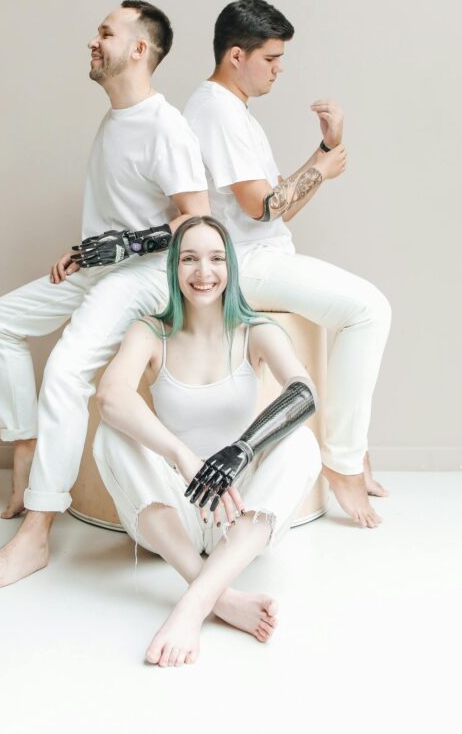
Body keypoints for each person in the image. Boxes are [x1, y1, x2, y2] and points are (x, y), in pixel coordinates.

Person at [0, 0, 210, 589]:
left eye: (105, 33)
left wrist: (119, 247)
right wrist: (89, 249)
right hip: (101, 268)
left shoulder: (164, 125)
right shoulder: (115, 118)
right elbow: (119, 212)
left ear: (139, 50)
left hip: (143, 277)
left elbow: (198, 219)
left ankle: (35, 535)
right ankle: (26, 447)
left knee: (68, 371)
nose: (92, 42)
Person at [183, 0, 392, 528]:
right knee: (369, 308)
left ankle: (351, 453)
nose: (279, 69)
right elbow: (263, 206)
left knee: (362, 309)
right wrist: (321, 167)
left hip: (260, 251)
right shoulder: (214, 110)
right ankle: (343, 462)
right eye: (271, 58)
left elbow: (279, 208)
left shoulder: (234, 113)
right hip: (240, 266)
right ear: (236, 55)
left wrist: (322, 155)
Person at [93, 215, 322, 666]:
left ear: (231, 267)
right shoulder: (150, 332)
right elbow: (111, 396)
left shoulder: (255, 330)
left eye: (216, 258)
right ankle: (220, 596)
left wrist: (244, 448)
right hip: (172, 512)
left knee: (303, 444)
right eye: (190, 259)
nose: (204, 272)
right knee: (111, 434)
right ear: (174, 268)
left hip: (238, 514)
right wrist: (182, 456)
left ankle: (194, 603)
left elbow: (304, 392)